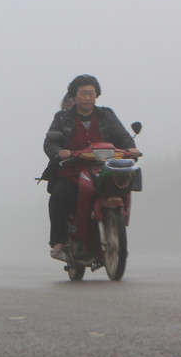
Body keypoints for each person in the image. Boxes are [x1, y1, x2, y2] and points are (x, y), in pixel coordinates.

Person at [42, 74, 140, 261]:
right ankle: (59, 242)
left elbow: (124, 137)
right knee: (59, 195)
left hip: (104, 168)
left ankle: (115, 231)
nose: (87, 97)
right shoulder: (62, 118)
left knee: (124, 185)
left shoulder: (107, 115)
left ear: (97, 95)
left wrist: (131, 149)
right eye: (83, 93)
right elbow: (50, 143)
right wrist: (59, 152)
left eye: (91, 93)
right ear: (74, 96)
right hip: (72, 170)